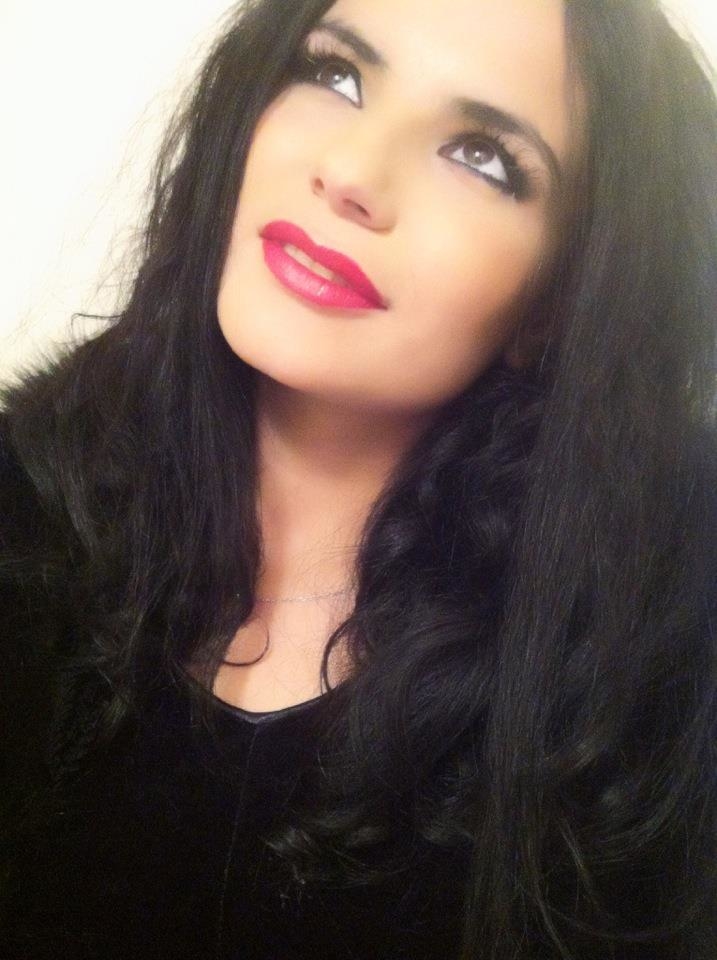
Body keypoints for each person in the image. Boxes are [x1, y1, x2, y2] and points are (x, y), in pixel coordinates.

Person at [1, 0, 715, 957]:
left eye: (480, 156)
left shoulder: (652, 656)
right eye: (334, 75)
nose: (349, 174)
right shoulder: (25, 505)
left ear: (556, 302)